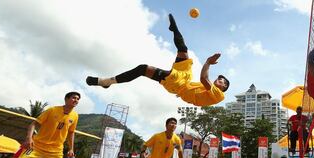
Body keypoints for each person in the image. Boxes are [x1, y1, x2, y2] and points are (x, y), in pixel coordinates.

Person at [86, 14, 229, 107]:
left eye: (222, 81)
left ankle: (106, 82)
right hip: (184, 79)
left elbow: (204, 79)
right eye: (220, 78)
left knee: (143, 69)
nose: (219, 80)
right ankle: (174, 29)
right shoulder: (208, 90)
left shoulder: (219, 95)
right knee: (183, 50)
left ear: (224, 88)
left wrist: (208, 63)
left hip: (177, 84)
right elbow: (200, 87)